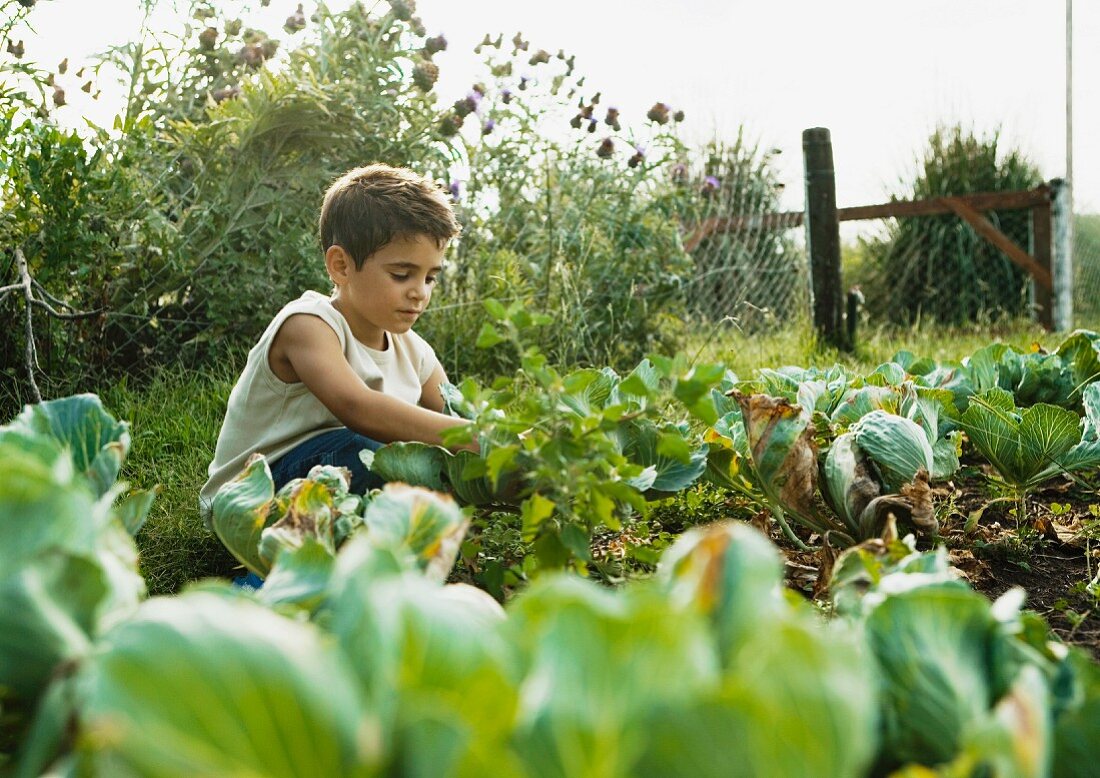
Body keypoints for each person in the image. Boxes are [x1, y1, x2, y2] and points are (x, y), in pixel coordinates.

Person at [199, 163, 469, 523]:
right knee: (365, 452)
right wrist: (470, 437)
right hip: (252, 496)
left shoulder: (415, 352)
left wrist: (511, 452)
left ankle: (362, 564)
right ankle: (265, 577)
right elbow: (357, 407)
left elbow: (456, 420)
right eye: (402, 274)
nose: (419, 292)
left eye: (431, 277)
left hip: (344, 485)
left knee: (431, 466)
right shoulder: (308, 325)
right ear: (341, 266)